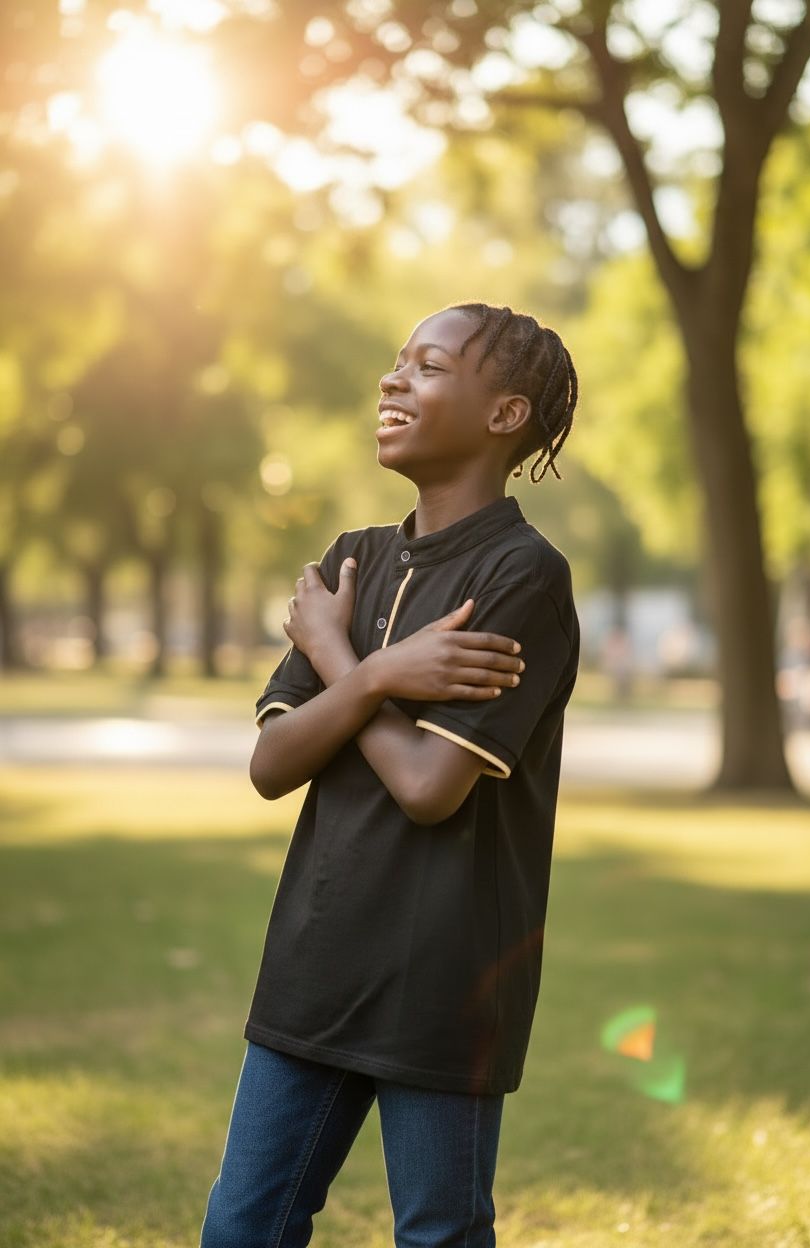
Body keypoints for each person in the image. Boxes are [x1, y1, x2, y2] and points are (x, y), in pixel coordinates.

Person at [200, 302, 581, 1248]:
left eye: (429, 366)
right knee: (242, 1229)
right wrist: (376, 673)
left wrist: (342, 662)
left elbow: (427, 787)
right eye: (397, 361)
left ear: (505, 414)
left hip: (444, 984)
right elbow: (271, 764)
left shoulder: (522, 575)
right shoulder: (352, 562)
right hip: (312, 968)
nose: (392, 380)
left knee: (439, 1236)